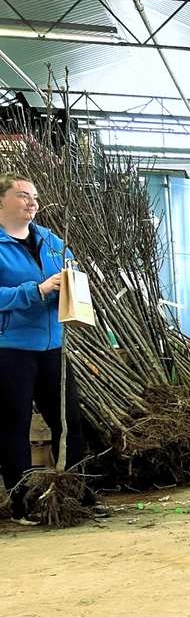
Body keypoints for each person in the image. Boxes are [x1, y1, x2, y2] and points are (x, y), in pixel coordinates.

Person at [0, 173, 87, 522]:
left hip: (53, 346)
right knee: (13, 425)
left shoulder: (51, 240)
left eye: (34, 196)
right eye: (22, 195)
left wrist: (72, 284)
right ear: (1, 201)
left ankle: (78, 492)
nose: (32, 202)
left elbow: (73, 273)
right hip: (11, 349)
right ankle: (23, 502)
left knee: (69, 421)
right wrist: (35, 291)